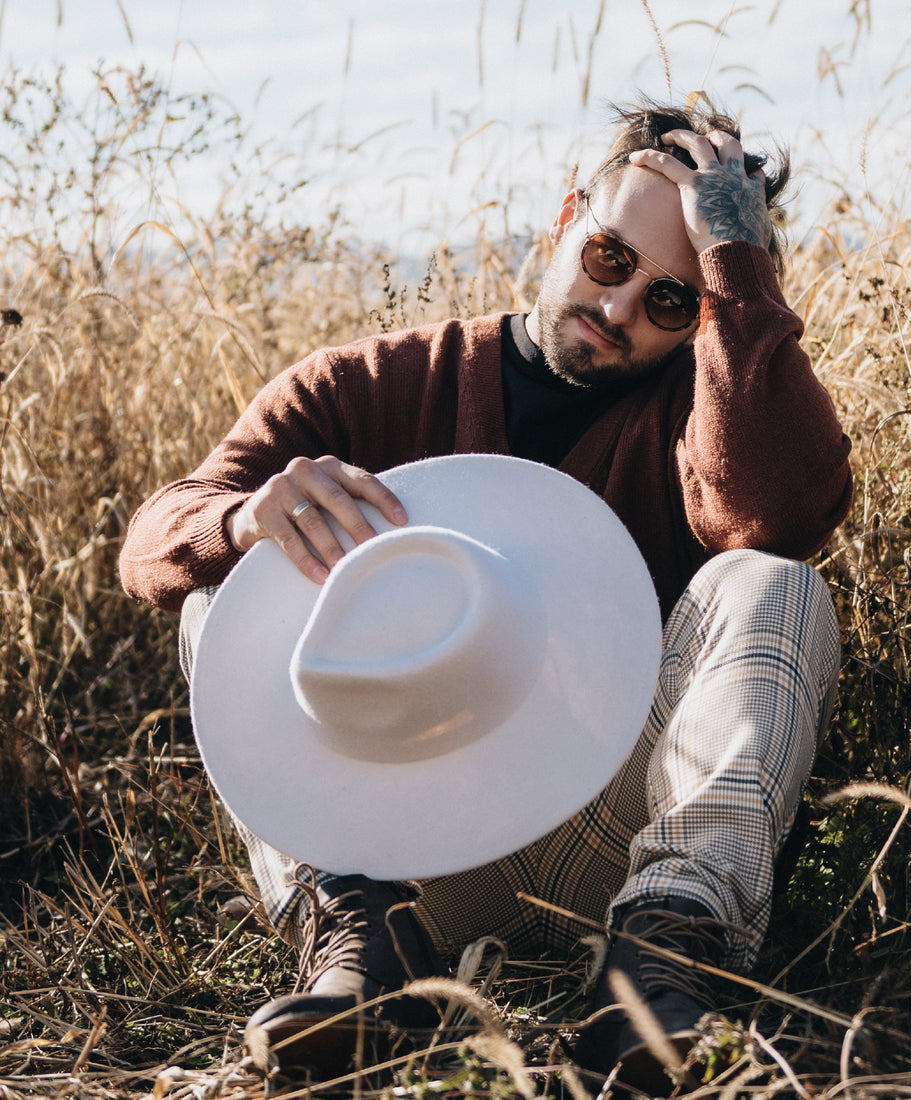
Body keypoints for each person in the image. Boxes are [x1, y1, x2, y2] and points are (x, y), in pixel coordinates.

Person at [119, 99, 853, 1092]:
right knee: (224, 593)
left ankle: (659, 972)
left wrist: (738, 260)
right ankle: (363, 969)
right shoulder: (374, 383)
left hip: (619, 838)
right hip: (407, 863)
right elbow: (156, 540)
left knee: (772, 584)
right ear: (564, 219)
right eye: (608, 259)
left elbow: (783, 507)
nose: (620, 308)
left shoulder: (706, 415)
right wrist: (245, 519)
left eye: (673, 300)